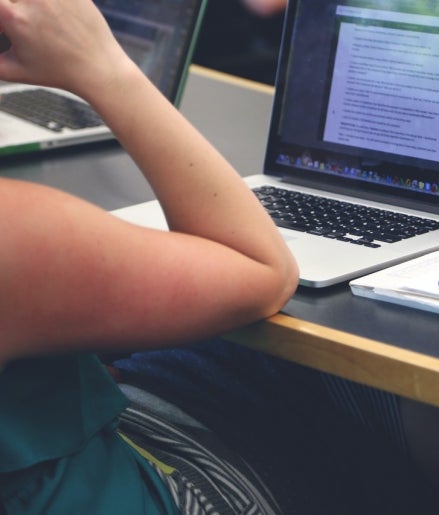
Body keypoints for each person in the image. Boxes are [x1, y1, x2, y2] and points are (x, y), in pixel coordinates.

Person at [0, 0, 301, 512]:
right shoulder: (20, 234)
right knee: (328, 389)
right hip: (116, 494)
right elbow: (263, 269)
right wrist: (103, 64)